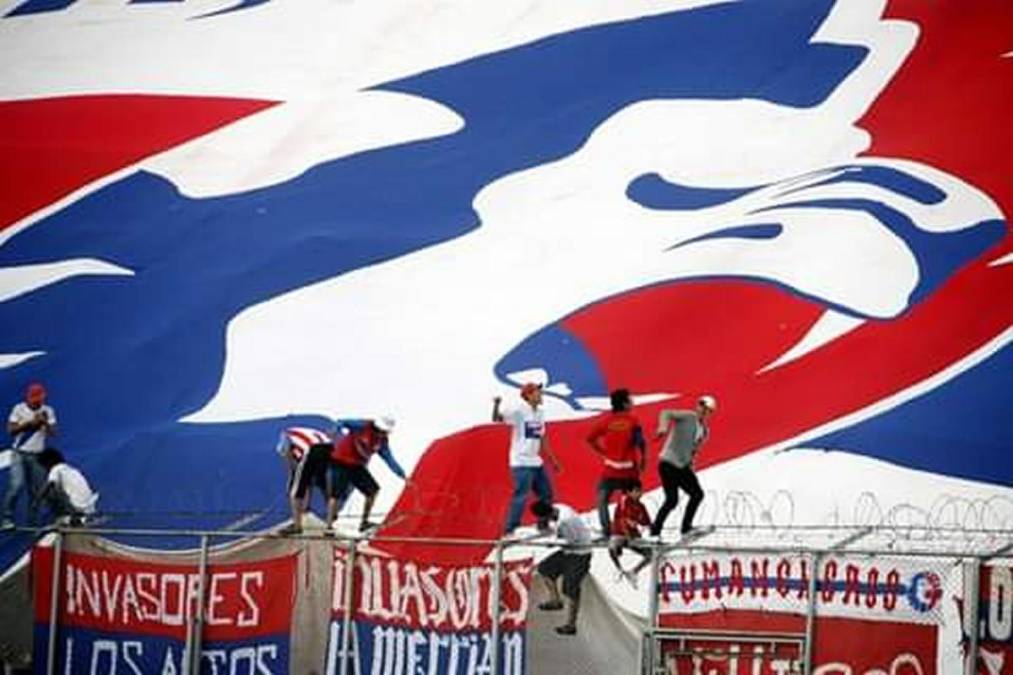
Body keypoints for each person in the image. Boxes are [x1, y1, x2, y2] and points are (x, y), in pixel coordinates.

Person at [492, 383, 563, 535]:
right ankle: (510, 529)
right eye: (538, 392)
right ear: (529, 395)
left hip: (536, 461)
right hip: (521, 461)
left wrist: (553, 460)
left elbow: (542, 438)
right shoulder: (519, 410)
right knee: (521, 495)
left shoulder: (540, 413)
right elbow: (497, 419)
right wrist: (496, 405)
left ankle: (543, 525)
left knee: (546, 494)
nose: (541, 394)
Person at [650, 395, 716, 538]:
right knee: (672, 500)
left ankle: (685, 528)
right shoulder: (688, 416)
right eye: (701, 406)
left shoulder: (705, 431)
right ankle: (655, 531)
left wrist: (691, 466)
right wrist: (663, 427)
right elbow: (666, 413)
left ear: (710, 413)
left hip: (682, 466)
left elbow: (694, 451)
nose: (702, 410)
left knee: (696, 495)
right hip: (668, 463)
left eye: (706, 409)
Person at [329, 416, 406, 533]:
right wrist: (336, 430)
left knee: (373, 491)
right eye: (380, 431)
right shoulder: (363, 425)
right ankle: (329, 526)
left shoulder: (382, 442)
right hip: (341, 461)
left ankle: (364, 523)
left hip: (357, 466)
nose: (381, 434)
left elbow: (389, 459)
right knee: (336, 494)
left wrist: (401, 474)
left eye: (384, 432)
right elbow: (342, 422)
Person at [586, 388, 645, 538]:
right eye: (630, 399)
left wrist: (602, 452)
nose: (632, 401)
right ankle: (629, 530)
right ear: (625, 404)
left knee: (602, 500)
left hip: (610, 470)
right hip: (629, 471)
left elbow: (590, 438)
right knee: (630, 502)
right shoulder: (633, 421)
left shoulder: (606, 421)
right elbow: (640, 442)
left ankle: (607, 531)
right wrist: (644, 459)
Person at [530, 500, 592, 636]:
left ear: (547, 515)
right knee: (545, 569)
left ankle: (571, 624)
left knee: (570, 588)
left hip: (580, 553)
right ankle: (555, 600)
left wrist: (553, 542)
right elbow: (558, 532)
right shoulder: (558, 508)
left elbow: (572, 541)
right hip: (567, 552)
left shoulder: (565, 520)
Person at [3, 383, 58, 527]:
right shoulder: (19, 409)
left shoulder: (48, 411)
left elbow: (53, 432)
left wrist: (44, 422)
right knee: (16, 485)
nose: (37, 402)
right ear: (28, 398)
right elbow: (11, 430)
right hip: (19, 453)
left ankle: (32, 522)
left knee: (37, 491)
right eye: (34, 398)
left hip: (37, 455)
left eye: (40, 398)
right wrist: (30, 424)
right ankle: (6, 518)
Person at [277, 426, 335, 535]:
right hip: (330, 448)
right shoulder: (301, 438)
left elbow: (287, 456)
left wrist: (291, 481)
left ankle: (297, 526)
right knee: (324, 486)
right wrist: (306, 506)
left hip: (312, 448)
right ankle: (330, 525)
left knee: (295, 492)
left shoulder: (285, 435)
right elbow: (307, 479)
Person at [33, 448, 98, 525]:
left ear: (48, 463)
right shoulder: (70, 469)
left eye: (43, 466)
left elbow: (48, 486)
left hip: (78, 506)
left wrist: (36, 501)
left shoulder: (56, 469)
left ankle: (74, 519)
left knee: (53, 494)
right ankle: (82, 517)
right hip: (90, 505)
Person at [608, 481, 652, 589]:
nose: (640, 493)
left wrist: (650, 528)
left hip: (633, 536)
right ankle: (618, 569)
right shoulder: (624, 500)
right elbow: (623, 518)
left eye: (640, 491)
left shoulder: (641, 506)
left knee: (651, 554)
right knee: (612, 546)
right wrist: (629, 525)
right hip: (619, 533)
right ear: (629, 492)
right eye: (637, 491)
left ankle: (634, 572)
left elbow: (646, 522)